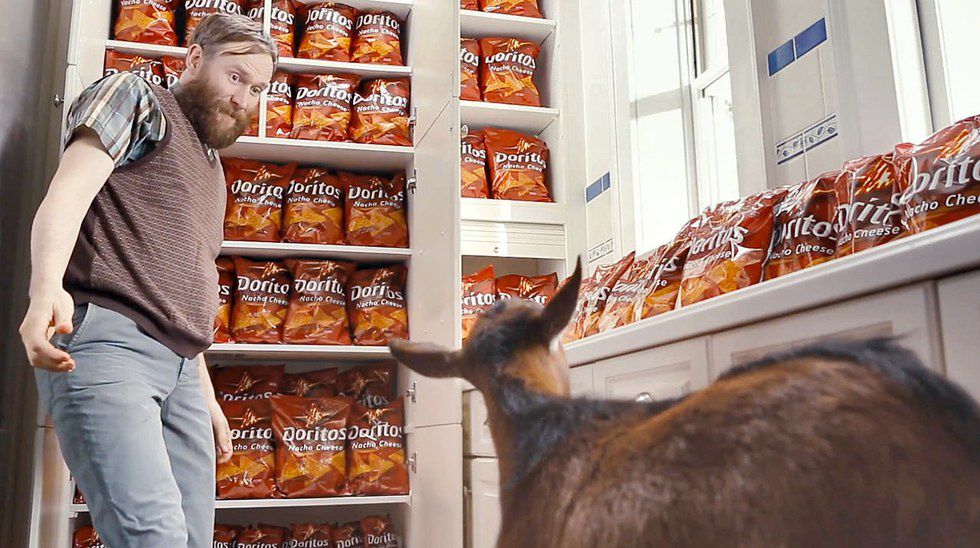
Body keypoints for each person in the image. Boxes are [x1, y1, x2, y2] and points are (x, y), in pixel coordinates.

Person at [18, 13, 275, 547]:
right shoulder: (136, 97)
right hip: (108, 344)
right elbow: (67, 193)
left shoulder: (213, 171)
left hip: (182, 370)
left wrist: (204, 394)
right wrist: (45, 289)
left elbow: (179, 286)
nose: (243, 99)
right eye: (235, 77)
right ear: (195, 58)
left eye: (257, 89)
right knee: (154, 539)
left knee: (193, 540)